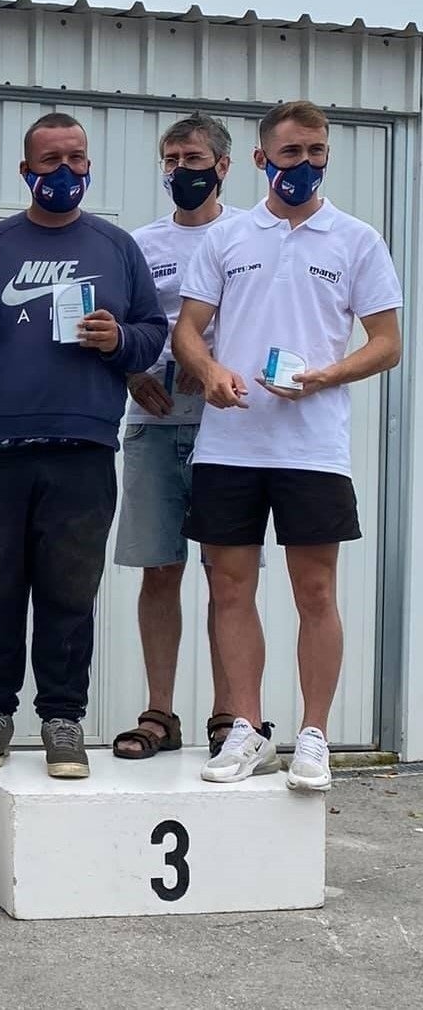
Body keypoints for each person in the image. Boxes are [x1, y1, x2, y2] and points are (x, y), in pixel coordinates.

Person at [174, 100, 402, 791]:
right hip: (230, 445)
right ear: (259, 159)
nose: (303, 163)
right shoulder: (227, 237)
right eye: (290, 152)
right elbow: (187, 330)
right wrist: (209, 371)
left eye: (315, 151)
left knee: (316, 590)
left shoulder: (356, 239)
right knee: (229, 588)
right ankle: (247, 729)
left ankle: (313, 736)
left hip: (312, 448)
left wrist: (327, 375)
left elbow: (388, 343)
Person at [0, 114, 166, 780]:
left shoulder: (117, 247)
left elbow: (153, 331)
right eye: (50, 160)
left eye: (75, 159)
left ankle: (63, 720)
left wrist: (119, 339)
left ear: (88, 166)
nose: (64, 171)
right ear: (24, 171)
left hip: (82, 448)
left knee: (70, 591)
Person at [112, 115, 246, 761]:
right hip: (153, 418)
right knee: (159, 570)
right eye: (170, 159)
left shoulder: (247, 235)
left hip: (229, 427)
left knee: (227, 575)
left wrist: (211, 366)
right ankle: (159, 713)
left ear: (222, 166)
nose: (180, 170)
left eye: (192, 158)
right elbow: (125, 325)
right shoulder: (141, 243)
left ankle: (231, 715)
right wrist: (132, 373)